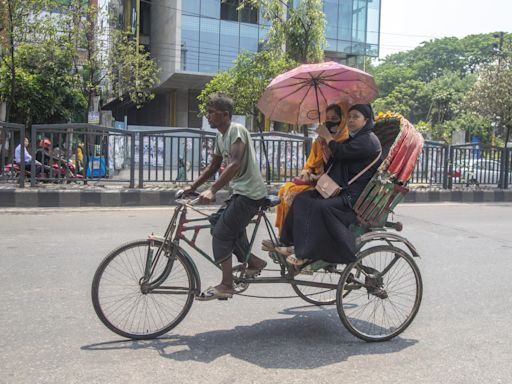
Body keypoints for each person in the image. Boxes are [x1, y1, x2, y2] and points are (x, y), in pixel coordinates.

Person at [184, 93, 268, 301]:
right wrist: (191, 187)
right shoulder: (220, 136)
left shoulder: (236, 130)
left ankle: (227, 284)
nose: (209, 116)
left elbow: (235, 163)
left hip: (251, 194)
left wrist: (212, 190)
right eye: (209, 112)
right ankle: (255, 262)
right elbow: (214, 166)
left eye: (212, 113)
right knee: (218, 223)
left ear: (225, 114)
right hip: (240, 192)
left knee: (221, 233)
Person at [277, 104, 382, 267]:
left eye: (356, 117)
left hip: (352, 197)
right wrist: (325, 148)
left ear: (366, 120)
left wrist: (328, 137)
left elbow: (341, 153)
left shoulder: (368, 140)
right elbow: (337, 160)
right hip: (340, 189)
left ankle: (306, 254)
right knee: (302, 198)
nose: (352, 120)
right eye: (351, 116)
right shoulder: (354, 139)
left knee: (320, 207)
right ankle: (290, 242)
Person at [274, 104, 349, 234]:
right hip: (313, 181)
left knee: (292, 193)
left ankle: (294, 236)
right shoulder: (319, 142)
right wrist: (306, 172)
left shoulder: (344, 141)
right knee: (284, 188)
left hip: (328, 185)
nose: (330, 121)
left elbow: (335, 169)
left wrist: (328, 140)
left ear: (342, 120)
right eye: (328, 118)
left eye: (334, 118)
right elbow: (310, 163)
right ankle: (284, 234)